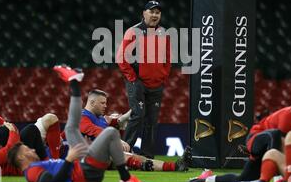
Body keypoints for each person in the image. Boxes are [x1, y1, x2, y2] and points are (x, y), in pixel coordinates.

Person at [8, 65, 152, 182]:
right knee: (110, 133)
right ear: (21, 157)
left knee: (71, 127)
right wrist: (69, 159)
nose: (32, 149)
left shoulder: (41, 162)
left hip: (83, 166)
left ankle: (74, 83)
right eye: (27, 149)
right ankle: (125, 179)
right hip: (85, 173)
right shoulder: (31, 172)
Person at [51, 67, 192, 172]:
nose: (106, 106)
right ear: (92, 102)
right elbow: (94, 130)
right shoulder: (82, 117)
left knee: (133, 156)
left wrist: (138, 107)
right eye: (102, 103)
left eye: (106, 103)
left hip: (97, 156)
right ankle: (149, 166)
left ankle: (175, 166)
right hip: (77, 158)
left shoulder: (101, 119)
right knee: (126, 155)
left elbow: (119, 119)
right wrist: (117, 139)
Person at [188, 92, 291, 182]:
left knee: (243, 179)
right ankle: (278, 181)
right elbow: (281, 143)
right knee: (277, 135)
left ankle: (207, 178)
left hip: (268, 149)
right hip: (256, 139)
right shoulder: (290, 114)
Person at [116, 0, 171, 158]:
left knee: (152, 121)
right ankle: (123, 154)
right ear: (144, 13)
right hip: (138, 82)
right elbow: (121, 58)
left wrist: (163, 76)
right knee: (138, 115)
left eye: (158, 12)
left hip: (156, 84)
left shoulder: (164, 33)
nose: (155, 15)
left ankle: (147, 156)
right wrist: (133, 78)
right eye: (151, 11)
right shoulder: (133, 32)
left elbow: (167, 58)